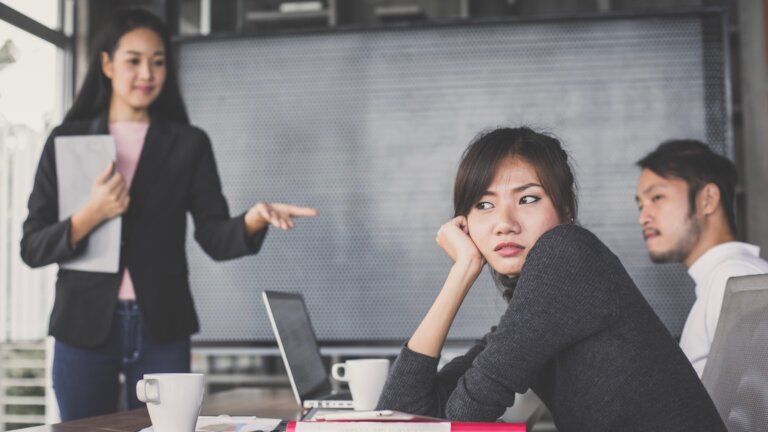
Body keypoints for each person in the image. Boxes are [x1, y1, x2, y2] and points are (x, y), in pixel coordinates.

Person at [20, 9, 316, 421]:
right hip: (82, 328)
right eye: (134, 60)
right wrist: (91, 214)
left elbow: (213, 236)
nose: (147, 73)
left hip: (163, 324)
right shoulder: (67, 140)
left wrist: (254, 219)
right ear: (106, 64)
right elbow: (32, 247)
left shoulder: (189, 144)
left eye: (158, 62)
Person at [376, 127, 725, 431]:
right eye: (484, 205)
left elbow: (463, 419)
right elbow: (400, 417)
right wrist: (462, 270)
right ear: (464, 222)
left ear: (566, 212)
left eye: (528, 199)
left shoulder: (566, 254)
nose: (505, 223)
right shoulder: (538, 303)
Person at [635, 139, 768, 377]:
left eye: (656, 198)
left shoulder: (734, 278)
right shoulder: (723, 281)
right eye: (640, 205)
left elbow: (756, 406)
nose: (643, 218)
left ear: (707, 199)